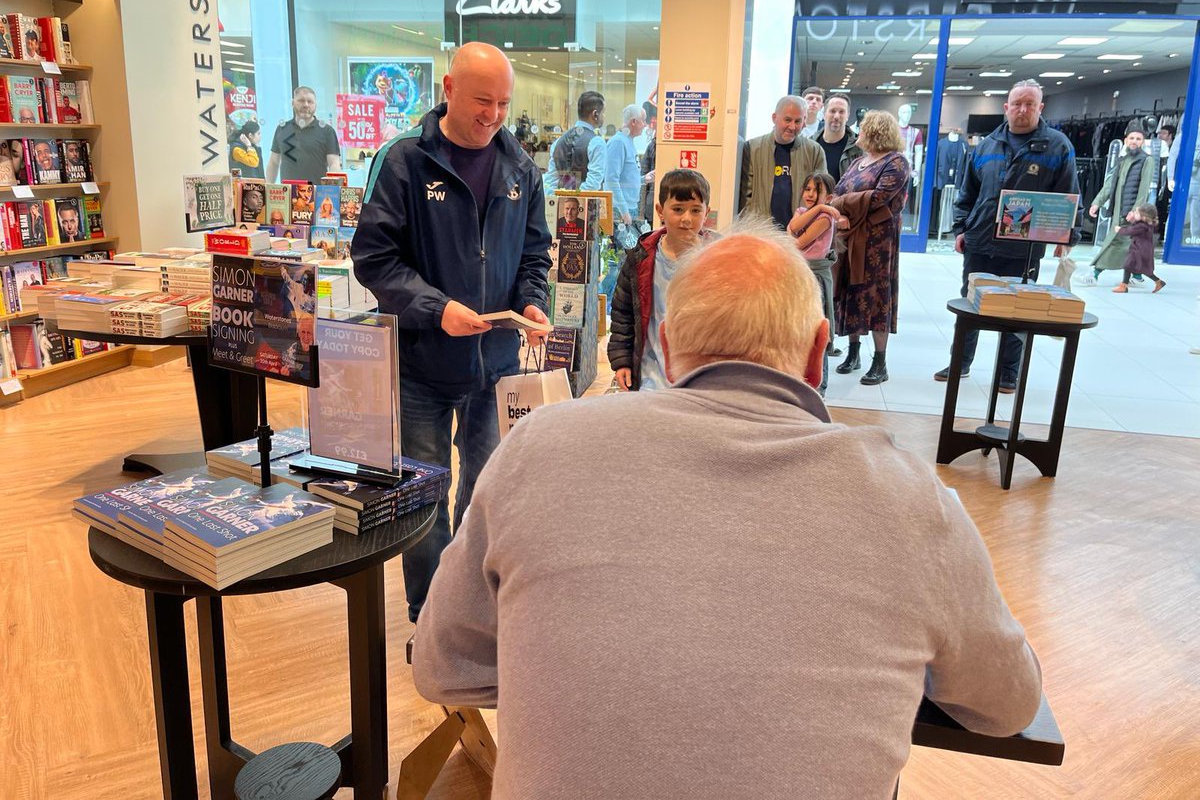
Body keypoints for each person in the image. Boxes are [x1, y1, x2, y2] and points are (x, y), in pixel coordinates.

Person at [412, 219, 1043, 800]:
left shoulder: (540, 447)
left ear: (664, 340)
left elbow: (441, 668)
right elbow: (1007, 705)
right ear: (819, 351)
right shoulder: (909, 496)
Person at [351, 42, 552, 623]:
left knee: (486, 488)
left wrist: (532, 304)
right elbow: (374, 260)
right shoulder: (403, 162)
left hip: (498, 367)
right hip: (423, 366)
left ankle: (469, 601)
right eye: (482, 100)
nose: (493, 115)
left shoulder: (520, 167)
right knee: (423, 495)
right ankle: (428, 613)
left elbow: (534, 256)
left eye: (503, 104)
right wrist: (436, 308)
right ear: (448, 90)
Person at [935, 80, 1078, 393]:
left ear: (1040, 108)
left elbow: (1069, 194)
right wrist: (961, 228)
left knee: (1018, 310)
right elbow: (967, 191)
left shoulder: (1057, 146)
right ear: (1006, 107)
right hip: (980, 239)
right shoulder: (987, 145)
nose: (1023, 110)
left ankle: (1008, 373)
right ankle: (961, 362)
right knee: (970, 305)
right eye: (1017, 104)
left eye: (1030, 104)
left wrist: (1067, 235)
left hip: (1023, 248)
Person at [608, 168, 716, 392]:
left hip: (701, 377)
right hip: (651, 374)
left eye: (696, 210)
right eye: (678, 209)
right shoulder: (641, 258)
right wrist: (622, 360)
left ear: (707, 213)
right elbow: (623, 312)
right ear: (660, 210)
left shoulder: (718, 259)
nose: (687, 219)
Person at [827, 110, 912, 386]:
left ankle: (880, 361)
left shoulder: (897, 162)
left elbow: (878, 198)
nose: (858, 132)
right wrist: (842, 207)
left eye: (863, 129)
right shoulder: (858, 162)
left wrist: (842, 207)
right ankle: (854, 353)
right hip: (851, 237)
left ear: (875, 131)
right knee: (852, 291)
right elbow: (838, 191)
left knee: (877, 297)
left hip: (879, 244)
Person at [738, 94, 828, 229]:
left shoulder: (814, 151)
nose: (792, 127)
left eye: (798, 121)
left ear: (804, 121)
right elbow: (746, 197)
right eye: (787, 120)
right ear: (774, 118)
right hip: (763, 233)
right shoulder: (752, 148)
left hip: (800, 233)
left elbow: (821, 195)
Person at [1081, 121, 1153, 285]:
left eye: (1138, 139)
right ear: (1126, 140)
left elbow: (1144, 188)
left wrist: (1136, 210)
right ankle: (1137, 276)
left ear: (1143, 142)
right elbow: (1110, 184)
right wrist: (1097, 202)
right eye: (1132, 138)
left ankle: (1095, 273)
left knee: (1115, 241)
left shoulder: (1146, 161)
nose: (1134, 141)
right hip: (1118, 208)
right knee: (1130, 244)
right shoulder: (1123, 159)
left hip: (1129, 211)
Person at [788, 172, 841, 393]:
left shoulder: (825, 219)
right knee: (798, 329)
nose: (810, 194)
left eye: (816, 191)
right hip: (799, 273)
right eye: (807, 189)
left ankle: (820, 388)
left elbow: (797, 243)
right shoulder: (807, 212)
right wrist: (819, 207)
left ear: (828, 197)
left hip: (816, 276)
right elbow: (791, 229)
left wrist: (821, 211)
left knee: (816, 331)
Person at [266, 86, 341, 184]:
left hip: (316, 194)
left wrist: (331, 191)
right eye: (301, 101)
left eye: (310, 101)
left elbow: (334, 163)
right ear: (293, 103)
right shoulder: (282, 129)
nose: (306, 105)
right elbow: (273, 163)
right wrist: (268, 189)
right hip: (287, 194)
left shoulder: (327, 131)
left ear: (315, 105)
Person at [542, 91, 606, 195]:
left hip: (560, 204)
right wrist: (575, 198)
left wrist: (561, 199)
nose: (604, 116)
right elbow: (593, 183)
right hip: (586, 206)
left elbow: (550, 179)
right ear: (595, 114)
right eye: (603, 112)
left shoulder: (559, 141)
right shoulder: (597, 142)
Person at [604, 103, 647, 229]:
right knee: (623, 247)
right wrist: (623, 211)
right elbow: (611, 180)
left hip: (629, 207)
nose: (645, 125)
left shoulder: (628, 141)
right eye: (643, 120)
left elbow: (626, 178)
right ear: (634, 121)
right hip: (620, 210)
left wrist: (644, 179)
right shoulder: (618, 142)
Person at [1112, 204, 1166, 294]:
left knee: (1128, 266)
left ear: (1144, 217)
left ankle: (1123, 286)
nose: (1134, 214)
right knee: (1144, 269)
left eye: (1136, 213)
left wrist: (1119, 230)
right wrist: (1133, 220)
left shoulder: (1141, 226)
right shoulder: (1146, 224)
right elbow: (1134, 227)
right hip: (1143, 249)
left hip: (1139, 250)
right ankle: (1158, 282)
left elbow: (1130, 231)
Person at [813, 94, 862, 182]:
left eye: (841, 112)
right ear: (824, 114)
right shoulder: (811, 145)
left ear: (848, 115)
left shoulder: (859, 147)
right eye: (832, 111)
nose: (836, 116)